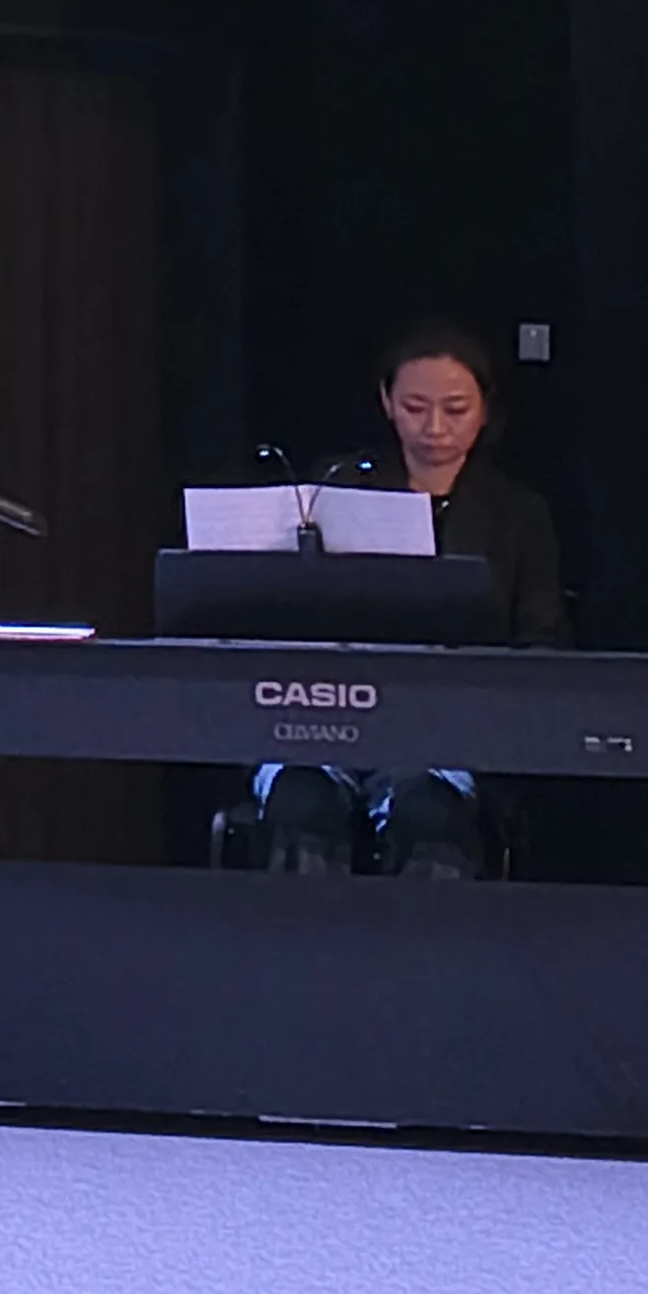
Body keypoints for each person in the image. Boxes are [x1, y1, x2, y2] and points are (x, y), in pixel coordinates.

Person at [258, 317, 571, 880]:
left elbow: (542, 636)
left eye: (455, 410)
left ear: (485, 409)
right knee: (303, 804)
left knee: (428, 814)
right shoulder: (339, 488)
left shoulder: (517, 513)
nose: (434, 428)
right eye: (414, 407)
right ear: (386, 402)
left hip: (452, 726)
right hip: (328, 714)